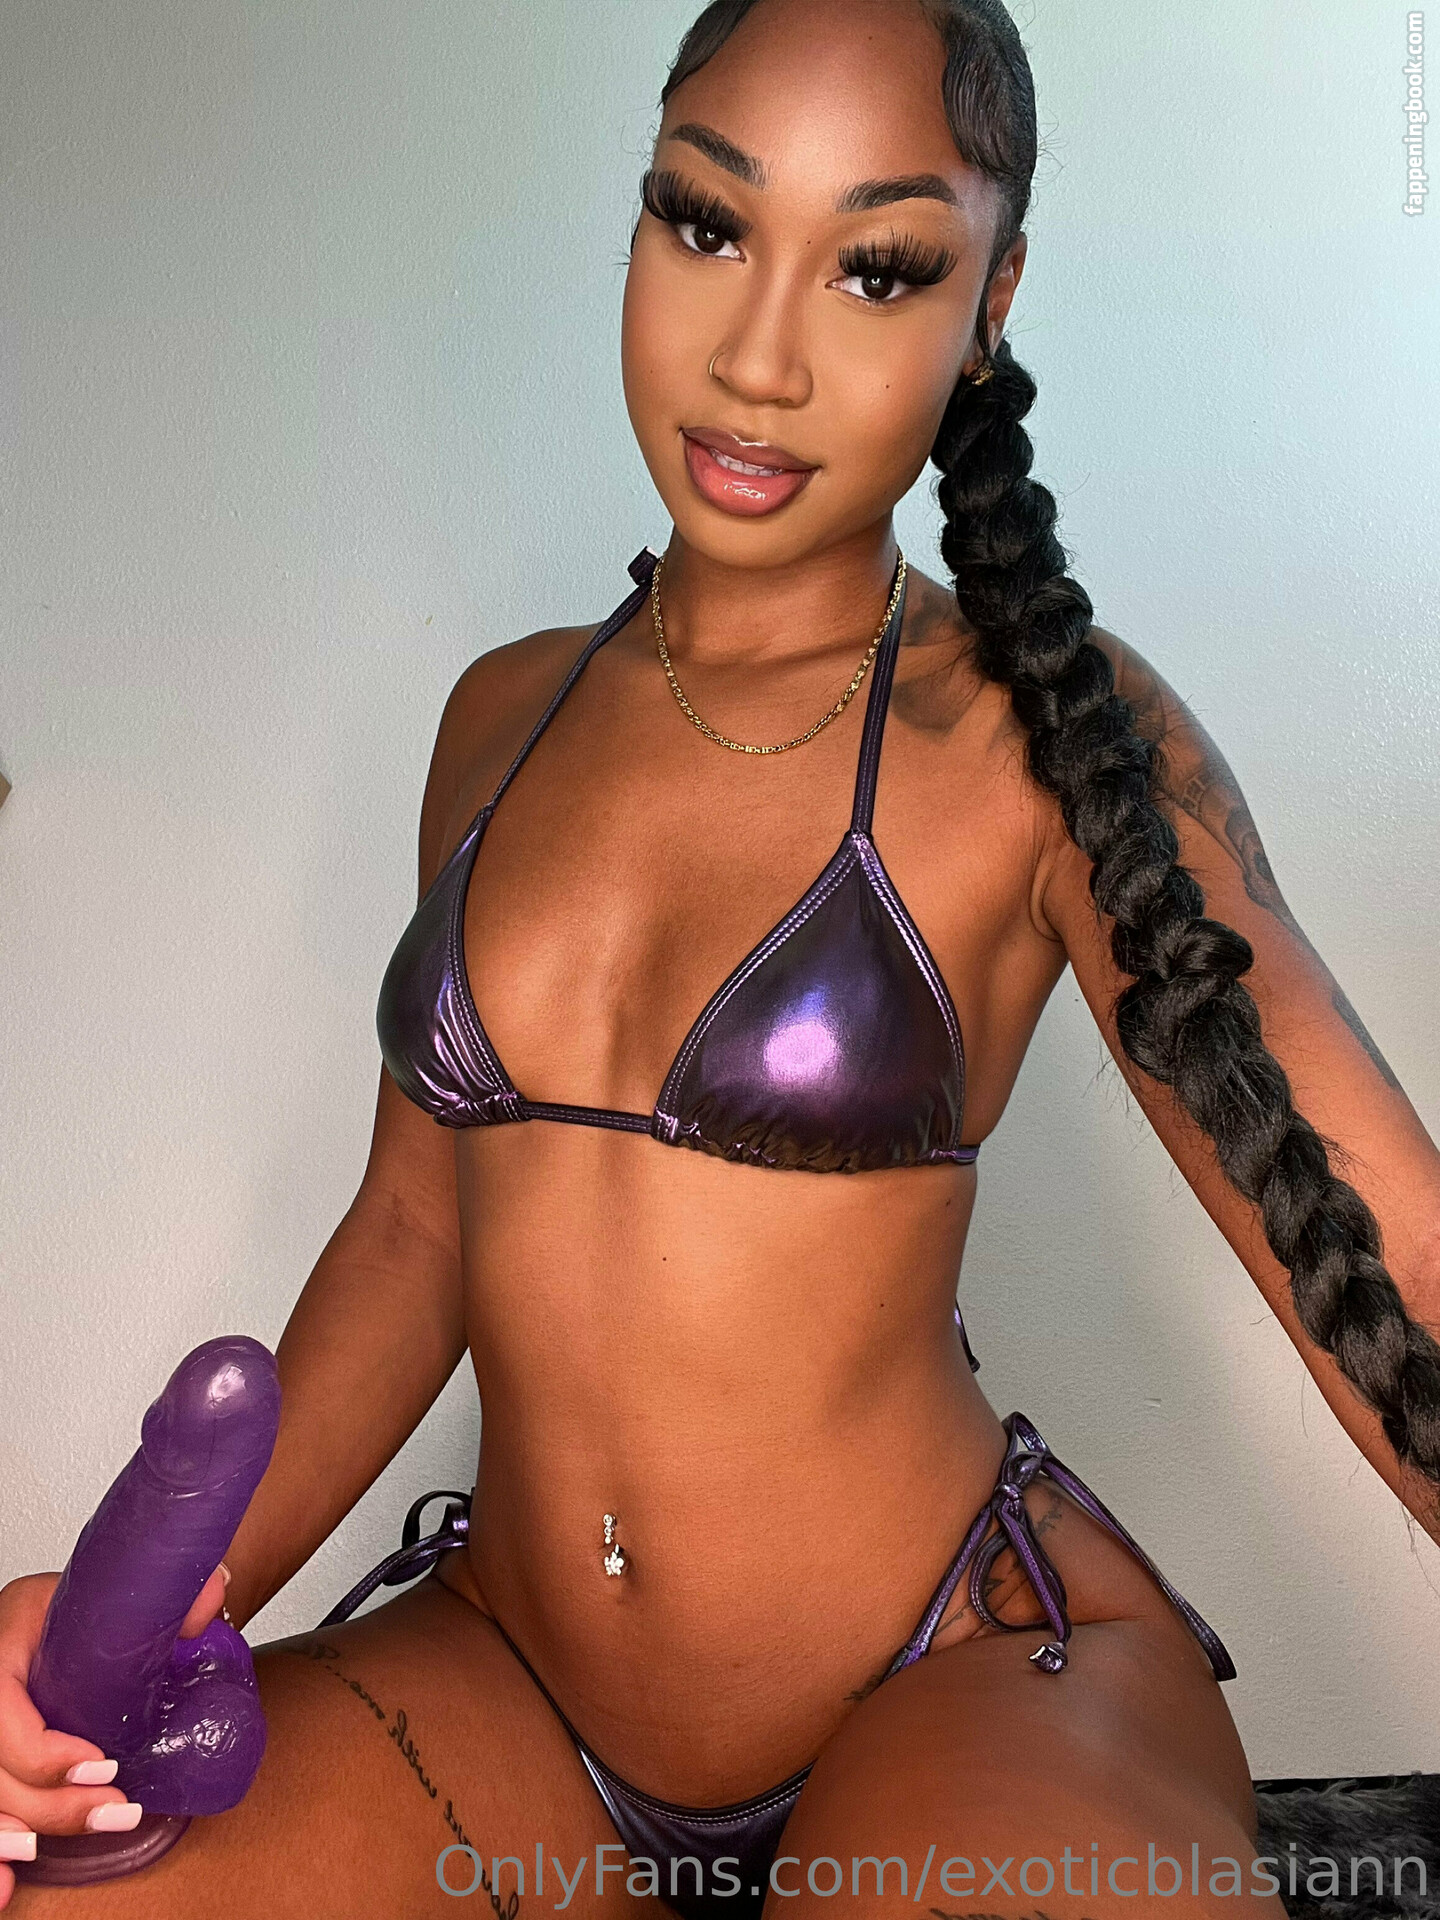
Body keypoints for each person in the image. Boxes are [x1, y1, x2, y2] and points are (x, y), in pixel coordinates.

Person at [3, 0, 1438, 1914]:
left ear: (992, 300)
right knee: (60, 1884)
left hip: (944, 1671)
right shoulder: (499, 721)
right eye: (705, 222)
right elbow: (417, 1239)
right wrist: (123, 1622)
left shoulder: (1043, 740)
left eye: (877, 267)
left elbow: (1384, 1255)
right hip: (513, 1686)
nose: (758, 358)